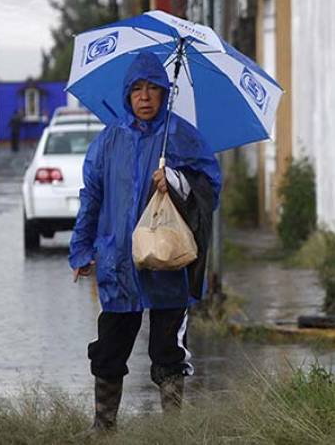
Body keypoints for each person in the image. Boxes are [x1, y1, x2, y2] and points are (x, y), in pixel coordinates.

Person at [69, 51, 221, 433]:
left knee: (167, 351)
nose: (145, 96)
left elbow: (209, 189)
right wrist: (82, 249)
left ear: (165, 92)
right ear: (127, 95)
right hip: (118, 263)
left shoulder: (182, 136)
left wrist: (175, 181)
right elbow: (92, 195)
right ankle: (104, 427)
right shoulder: (109, 140)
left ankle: (172, 431)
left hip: (169, 265)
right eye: (137, 88)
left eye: (153, 88)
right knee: (109, 349)